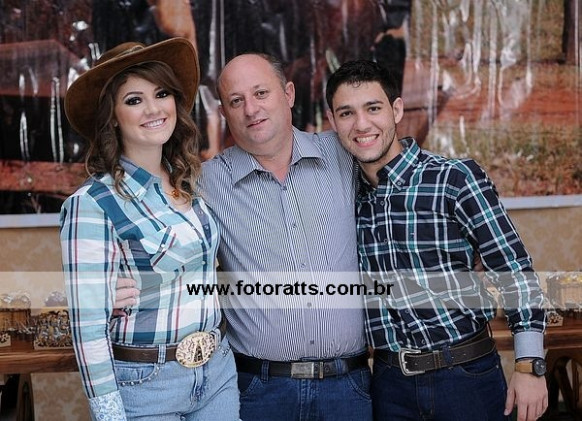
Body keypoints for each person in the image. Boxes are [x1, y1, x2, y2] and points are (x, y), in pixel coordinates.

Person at [115, 52, 372, 421]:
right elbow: (143, 225)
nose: (251, 109)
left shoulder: (345, 154)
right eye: (236, 101)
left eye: (261, 93)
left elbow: (402, 187)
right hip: (258, 390)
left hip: (348, 388)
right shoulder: (201, 182)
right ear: (224, 113)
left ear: (289, 94)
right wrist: (108, 284)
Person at [325, 59, 548, 421]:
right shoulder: (343, 195)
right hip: (388, 384)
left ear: (397, 110)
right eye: (346, 113)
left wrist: (529, 365)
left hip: (465, 377)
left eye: (373, 108)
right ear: (333, 122)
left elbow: (514, 269)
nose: (361, 124)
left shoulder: (454, 179)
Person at [59, 38, 239, 420]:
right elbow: (87, 329)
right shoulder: (91, 203)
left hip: (218, 371)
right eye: (134, 100)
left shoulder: (190, 182)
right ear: (112, 117)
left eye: (161, 94)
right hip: (146, 384)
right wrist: (109, 414)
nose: (154, 109)